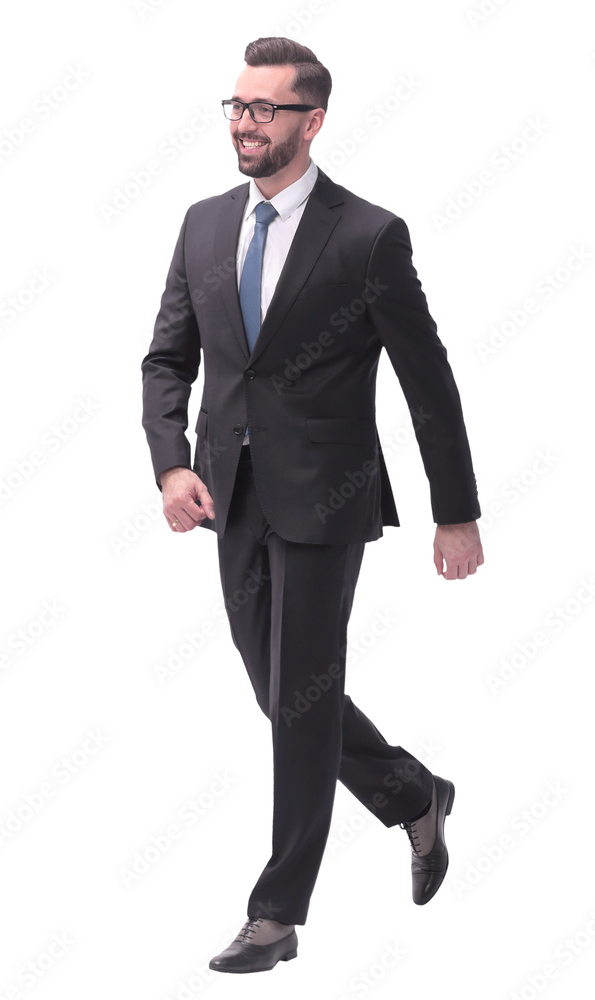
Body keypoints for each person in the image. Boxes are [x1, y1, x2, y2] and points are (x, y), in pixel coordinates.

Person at [141, 36, 484, 974]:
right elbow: (168, 359)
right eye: (237, 107)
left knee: (300, 699)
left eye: (265, 109)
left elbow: (427, 381)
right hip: (229, 493)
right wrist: (170, 465)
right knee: (280, 690)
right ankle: (412, 794)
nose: (244, 124)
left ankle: (277, 913)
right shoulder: (203, 225)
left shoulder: (368, 235)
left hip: (327, 498)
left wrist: (456, 510)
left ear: (312, 120)